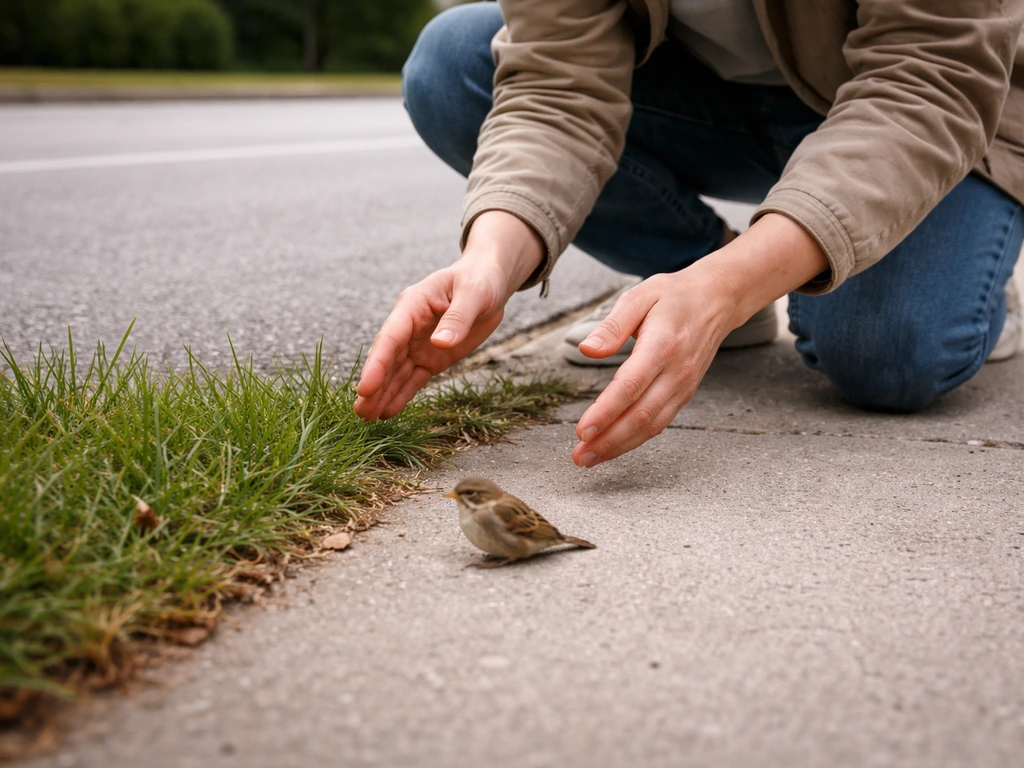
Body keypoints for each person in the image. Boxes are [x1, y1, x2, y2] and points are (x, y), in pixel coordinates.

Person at [354, 0, 1024, 469]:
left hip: (926, 113)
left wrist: (728, 285)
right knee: (455, 64)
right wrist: (491, 261)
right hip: (711, 102)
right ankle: (697, 291)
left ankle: (980, 283)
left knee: (887, 352)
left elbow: (929, 77)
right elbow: (555, 88)